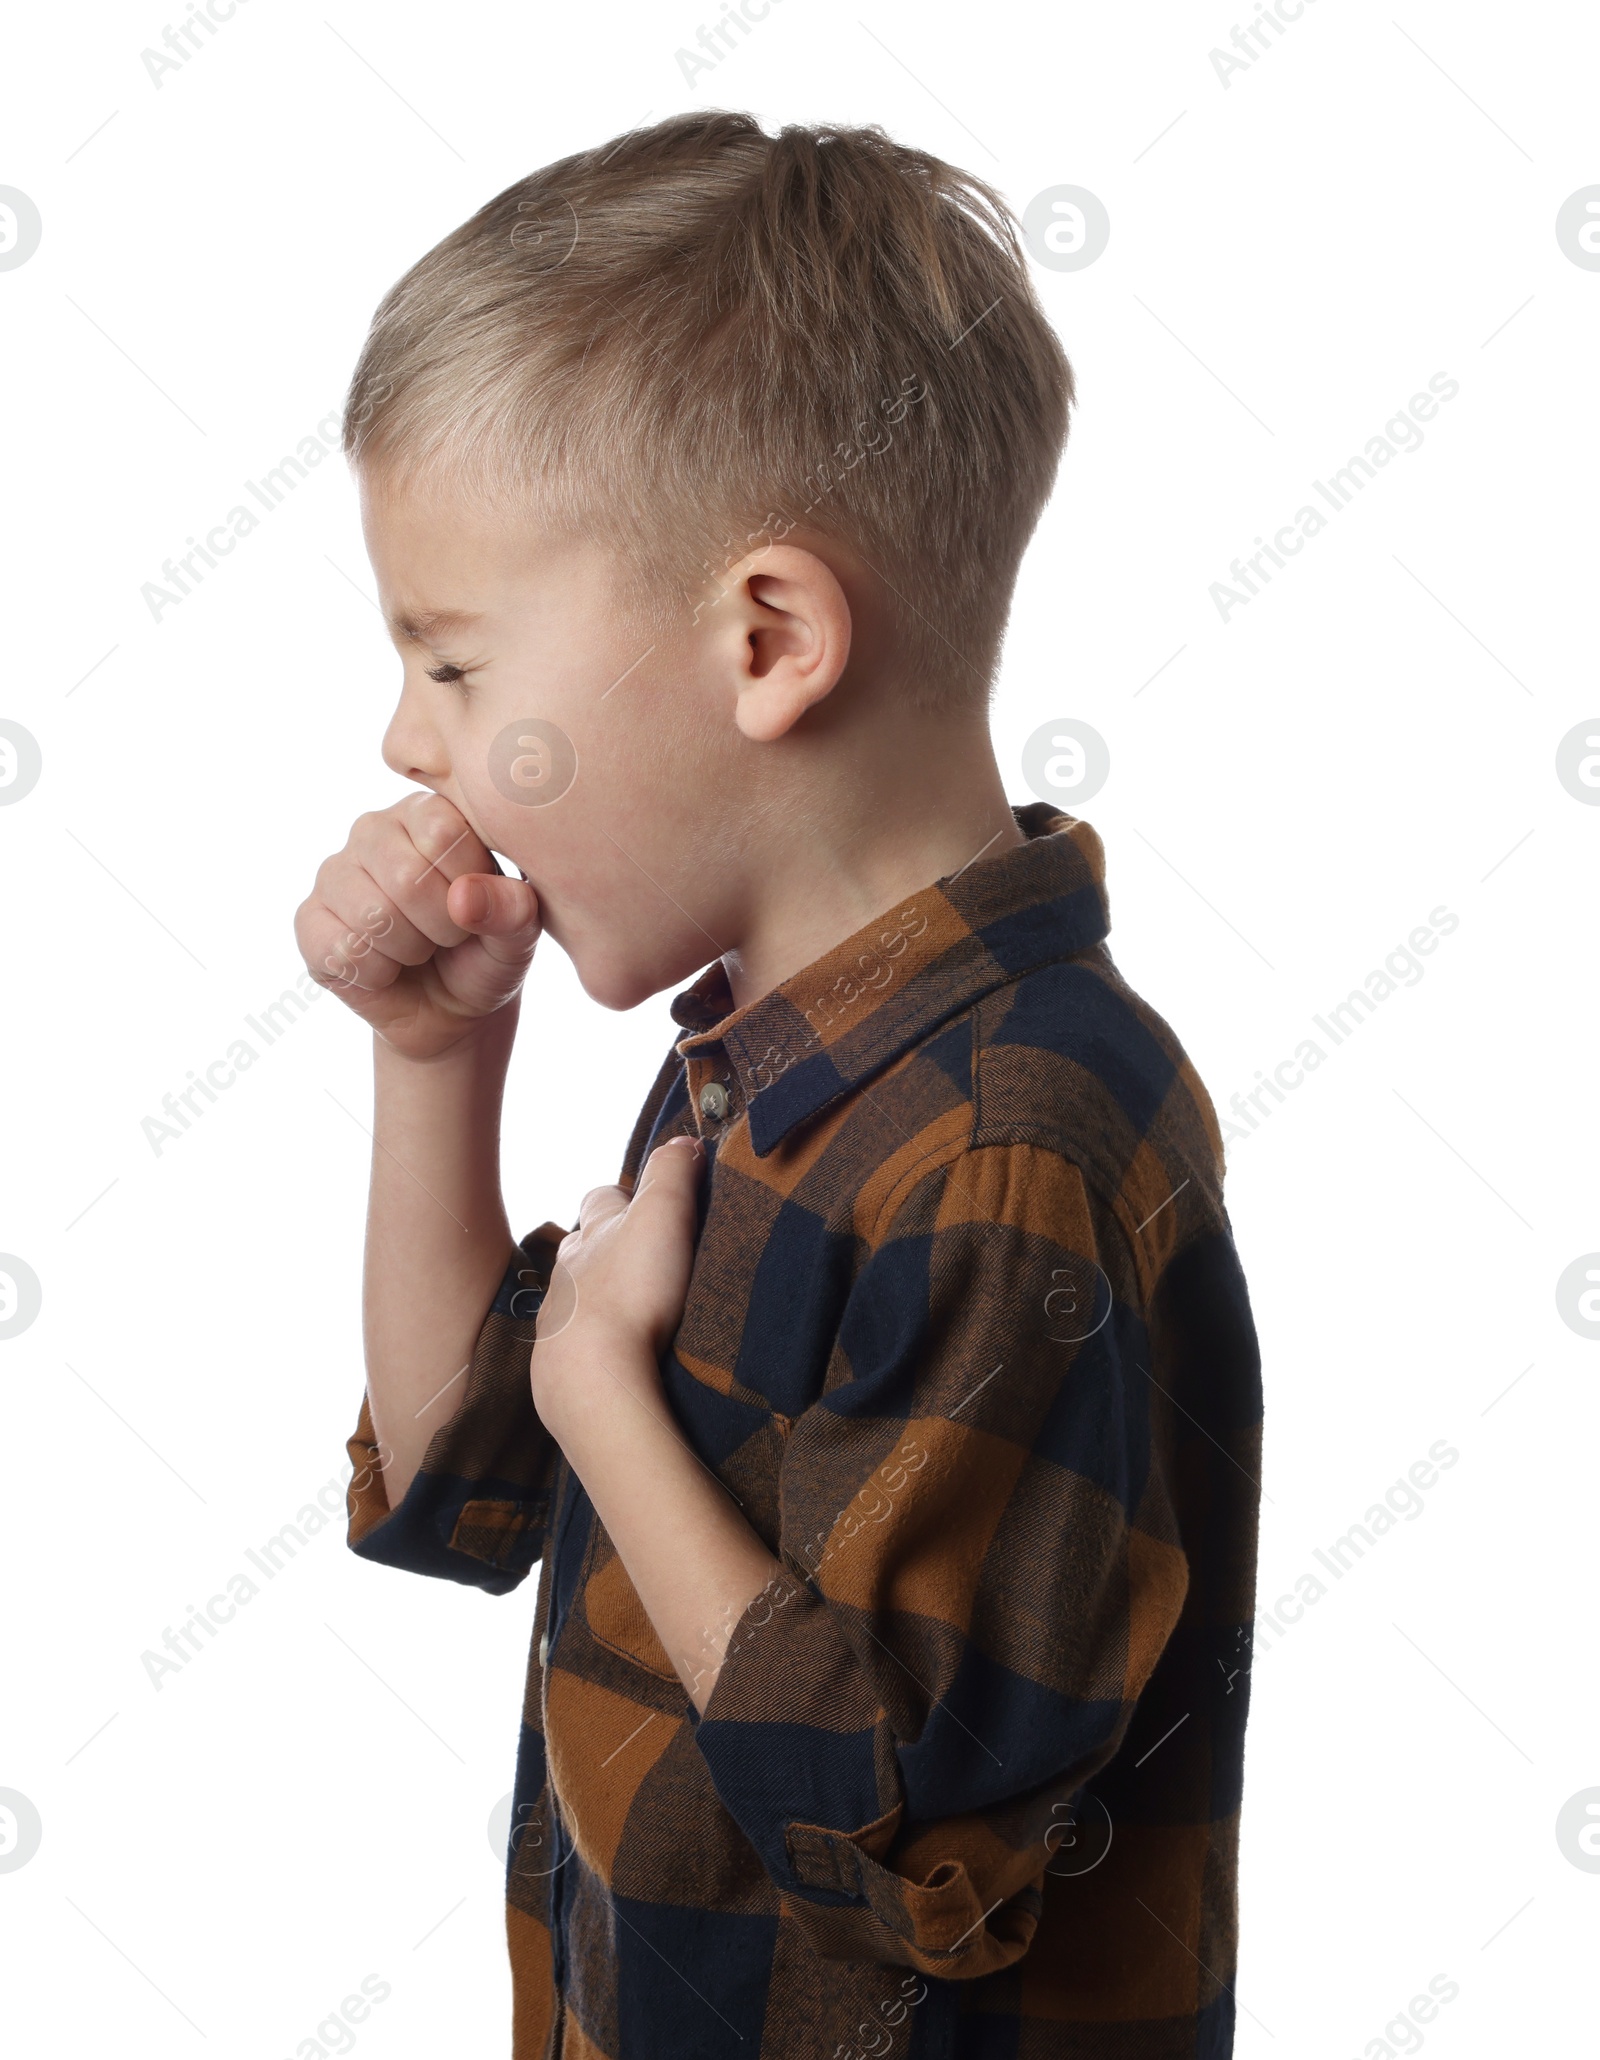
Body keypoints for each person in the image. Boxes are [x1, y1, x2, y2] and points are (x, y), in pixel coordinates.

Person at [294, 111, 1263, 2060]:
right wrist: (433, 1054)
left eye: (458, 663)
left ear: (764, 640)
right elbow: (465, 1485)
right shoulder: (769, 1070)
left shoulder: (1010, 1145)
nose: (407, 736)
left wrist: (602, 1399)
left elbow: (895, 1825)